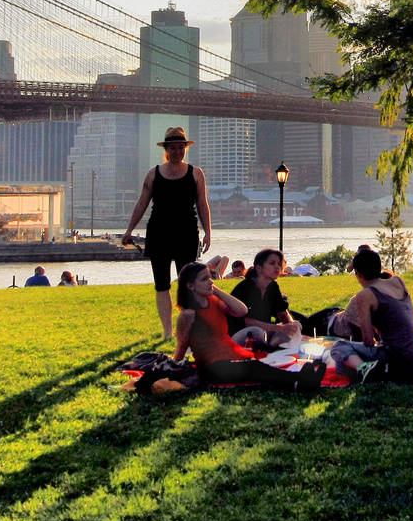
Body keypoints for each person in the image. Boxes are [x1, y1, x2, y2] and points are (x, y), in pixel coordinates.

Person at [171, 261, 326, 390]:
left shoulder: (214, 301)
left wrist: (217, 291)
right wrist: (173, 370)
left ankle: (303, 379)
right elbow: (182, 345)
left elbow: (241, 310)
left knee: (259, 365)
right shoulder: (188, 314)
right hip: (212, 365)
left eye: (210, 277)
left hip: (230, 352)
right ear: (191, 286)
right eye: (204, 279)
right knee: (255, 368)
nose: (211, 281)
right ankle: (301, 380)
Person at [123, 127, 214, 339]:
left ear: (186, 149)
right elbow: (141, 204)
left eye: (181, 147)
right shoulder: (154, 174)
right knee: (161, 283)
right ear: (165, 149)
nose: (177, 151)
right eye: (173, 148)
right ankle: (167, 331)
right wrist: (129, 230)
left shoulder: (196, 173)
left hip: (187, 233)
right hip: (159, 234)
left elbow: (202, 204)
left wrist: (208, 232)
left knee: (188, 284)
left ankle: (189, 327)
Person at [328, 248, 413, 384]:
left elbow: (368, 340)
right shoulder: (398, 281)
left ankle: (364, 369)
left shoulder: (365, 295)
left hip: (396, 358)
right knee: (343, 363)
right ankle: (367, 369)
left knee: (339, 348)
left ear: (358, 275)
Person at [227, 248, 303, 347]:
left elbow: (283, 314)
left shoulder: (273, 286)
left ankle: (269, 347)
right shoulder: (246, 287)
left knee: (297, 325)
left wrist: (291, 325)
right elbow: (247, 322)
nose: (277, 267)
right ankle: (270, 347)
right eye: (272, 263)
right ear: (259, 268)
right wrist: (281, 328)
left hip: (265, 331)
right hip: (239, 334)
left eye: (279, 264)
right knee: (257, 332)